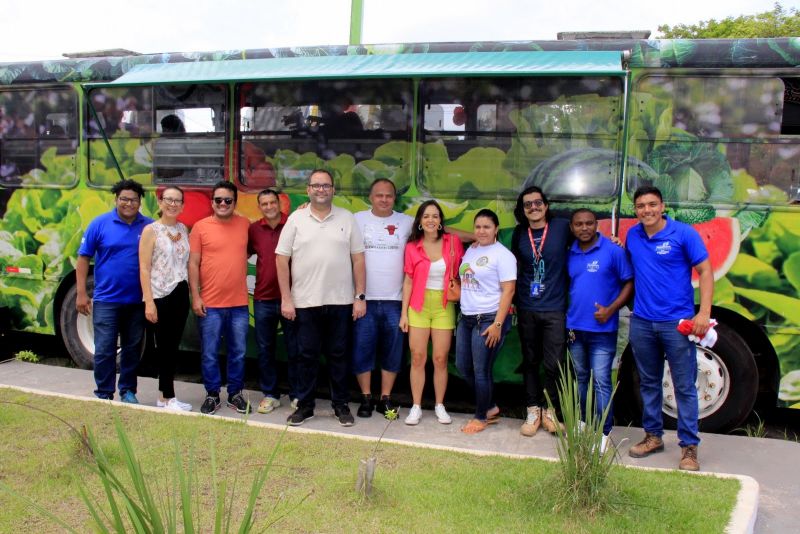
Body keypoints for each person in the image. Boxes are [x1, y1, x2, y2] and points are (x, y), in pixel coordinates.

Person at [626, 185, 713, 472]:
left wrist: (703, 312)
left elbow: (705, 271)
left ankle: (689, 448)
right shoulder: (633, 235)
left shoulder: (683, 233)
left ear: (662, 206)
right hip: (641, 322)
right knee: (649, 383)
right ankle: (653, 437)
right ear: (635, 209)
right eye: (640, 206)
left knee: (684, 386)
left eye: (652, 204)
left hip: (676, 324)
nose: (646, 210)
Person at [276, 169, 366, 427]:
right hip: (304, 302)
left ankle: (341, 405)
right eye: (316, 186)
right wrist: (286, 298)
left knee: (339, 356)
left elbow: (358, 259)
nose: (321, 190)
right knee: (306, 356)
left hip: (341, 302)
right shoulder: (295, 219)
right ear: (308, 190)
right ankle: (305, 406)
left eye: (326, 186)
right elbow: (281, 259)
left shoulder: (347, 218)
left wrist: (360, 296)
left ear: (333, 190)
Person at [76, 179, 152, 402]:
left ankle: (128, 391)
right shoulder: (99, 224)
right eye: (124, 199)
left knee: (132, 348)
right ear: (116, 199)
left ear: (140, 202)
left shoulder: (148, 227)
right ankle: (104, 393)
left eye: (134, 199)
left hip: (137, 301)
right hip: (106, 300)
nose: (129, 203)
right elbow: (83, 259)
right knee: (105, 350)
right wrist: (81, 293)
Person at [566, 208, 633, 451]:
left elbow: (628, 283)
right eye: (578, 224)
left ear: (596, 225)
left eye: (589, 223)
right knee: (581, 378)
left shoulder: (613, 251)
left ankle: (604, 432)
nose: (584, 228)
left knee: (602, 381)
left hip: (603, 330)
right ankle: (583, 422)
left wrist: (612, 309)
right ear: (572, 227)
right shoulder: (570, 253)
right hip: (575, 329)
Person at [511, 185, 571, 436]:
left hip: (555, 307)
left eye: (538, 203)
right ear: (523, 211)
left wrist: (610, 240)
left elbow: (587, 239)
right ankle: (533, 409)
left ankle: (550, 411)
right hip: (527, 306)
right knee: (530, 362)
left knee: (554, 364)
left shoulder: (561, 228)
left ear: (546, 206)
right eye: (528, 205)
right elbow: (517, 266)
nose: (533, 208)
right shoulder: (519, 233)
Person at [188, 181, 251, 415]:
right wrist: (196, 296)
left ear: (235, 202)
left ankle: (235, 394)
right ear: (211, 202)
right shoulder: (200, 227)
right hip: (210, 304)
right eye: (218, 200)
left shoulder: (245, 224)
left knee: (238, 352)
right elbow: (193, 263)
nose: (223, 204)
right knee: (210, 352)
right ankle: (212, 395)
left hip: (239, 304)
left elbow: (253, 247)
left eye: (228, 200)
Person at [353, 178, 413, 419]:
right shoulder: (356, 219)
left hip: (395, 301)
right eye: (379, 195)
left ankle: (385, 399)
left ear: (394, 198)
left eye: (389, 195)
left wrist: (475, 233)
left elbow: (438, 229)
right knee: (362, 350)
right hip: (364, 299)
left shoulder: (407, 222)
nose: (384, 199)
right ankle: (366, 398)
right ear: (370, 197)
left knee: (393, 351)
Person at [399, 200, 463, 426]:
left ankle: (439, 405)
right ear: (419, 221)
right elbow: (408, 281)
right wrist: (404, 314)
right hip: (418, 305)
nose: (431, 220)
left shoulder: (452, 242)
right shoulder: (412, 246)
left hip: (444, 305)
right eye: (426, 216)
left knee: (440, 358)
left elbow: (473, 241)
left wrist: (450, 231)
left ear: (440, 221)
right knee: (417, 357)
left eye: (435, 216)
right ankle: (416, 406)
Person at [455, 209, 516, 434]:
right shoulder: (472, 249)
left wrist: (498, 324)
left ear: (496, 229)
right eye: (478, 227)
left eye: (487, 227)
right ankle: (490, 406)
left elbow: (509, 291)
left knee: (481, 370)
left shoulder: (503, 255)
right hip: (467, 318)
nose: (481, 231)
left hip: (489, 319)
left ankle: (481, 417)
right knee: (463, 367)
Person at [138, 186, 192, 411]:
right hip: (160, 294)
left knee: (173, 346)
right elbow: (144, 267)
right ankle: (167, 397)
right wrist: (149, 301)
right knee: (164, 347)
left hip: (180, 292)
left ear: (182, 205)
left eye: (177, 201)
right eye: (168, 200)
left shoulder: (183, 228)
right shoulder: (151, 230)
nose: (173, 204)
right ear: (160, 203)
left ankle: (165, 397)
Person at [248, 188, 299, 414]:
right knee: (265, 348)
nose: (269, 207)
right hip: (263, 298)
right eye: (264, 204)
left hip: (293, 297)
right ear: (259, 207)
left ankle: (298, 394)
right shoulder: (253, 229)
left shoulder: (294, 224)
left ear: (280, 204)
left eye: (272, 203)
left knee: (295, 348)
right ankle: (270, 395)